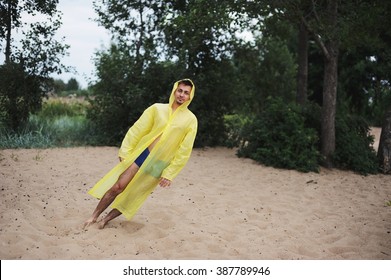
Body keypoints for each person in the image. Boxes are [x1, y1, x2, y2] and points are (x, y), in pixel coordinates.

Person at [83, 79, 197, 229]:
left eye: (186, 92)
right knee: (118, 186)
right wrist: (125, 150)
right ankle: (94, 216)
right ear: (174, 91)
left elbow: (184, 150)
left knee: (133, 195)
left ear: (190, 96)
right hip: (143, 155)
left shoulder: (191, 120)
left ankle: (106, 220)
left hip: (159, 163)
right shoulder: (157, 109)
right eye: (180, 90)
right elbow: (138, 129)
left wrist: (170, 173)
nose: (182, 95)